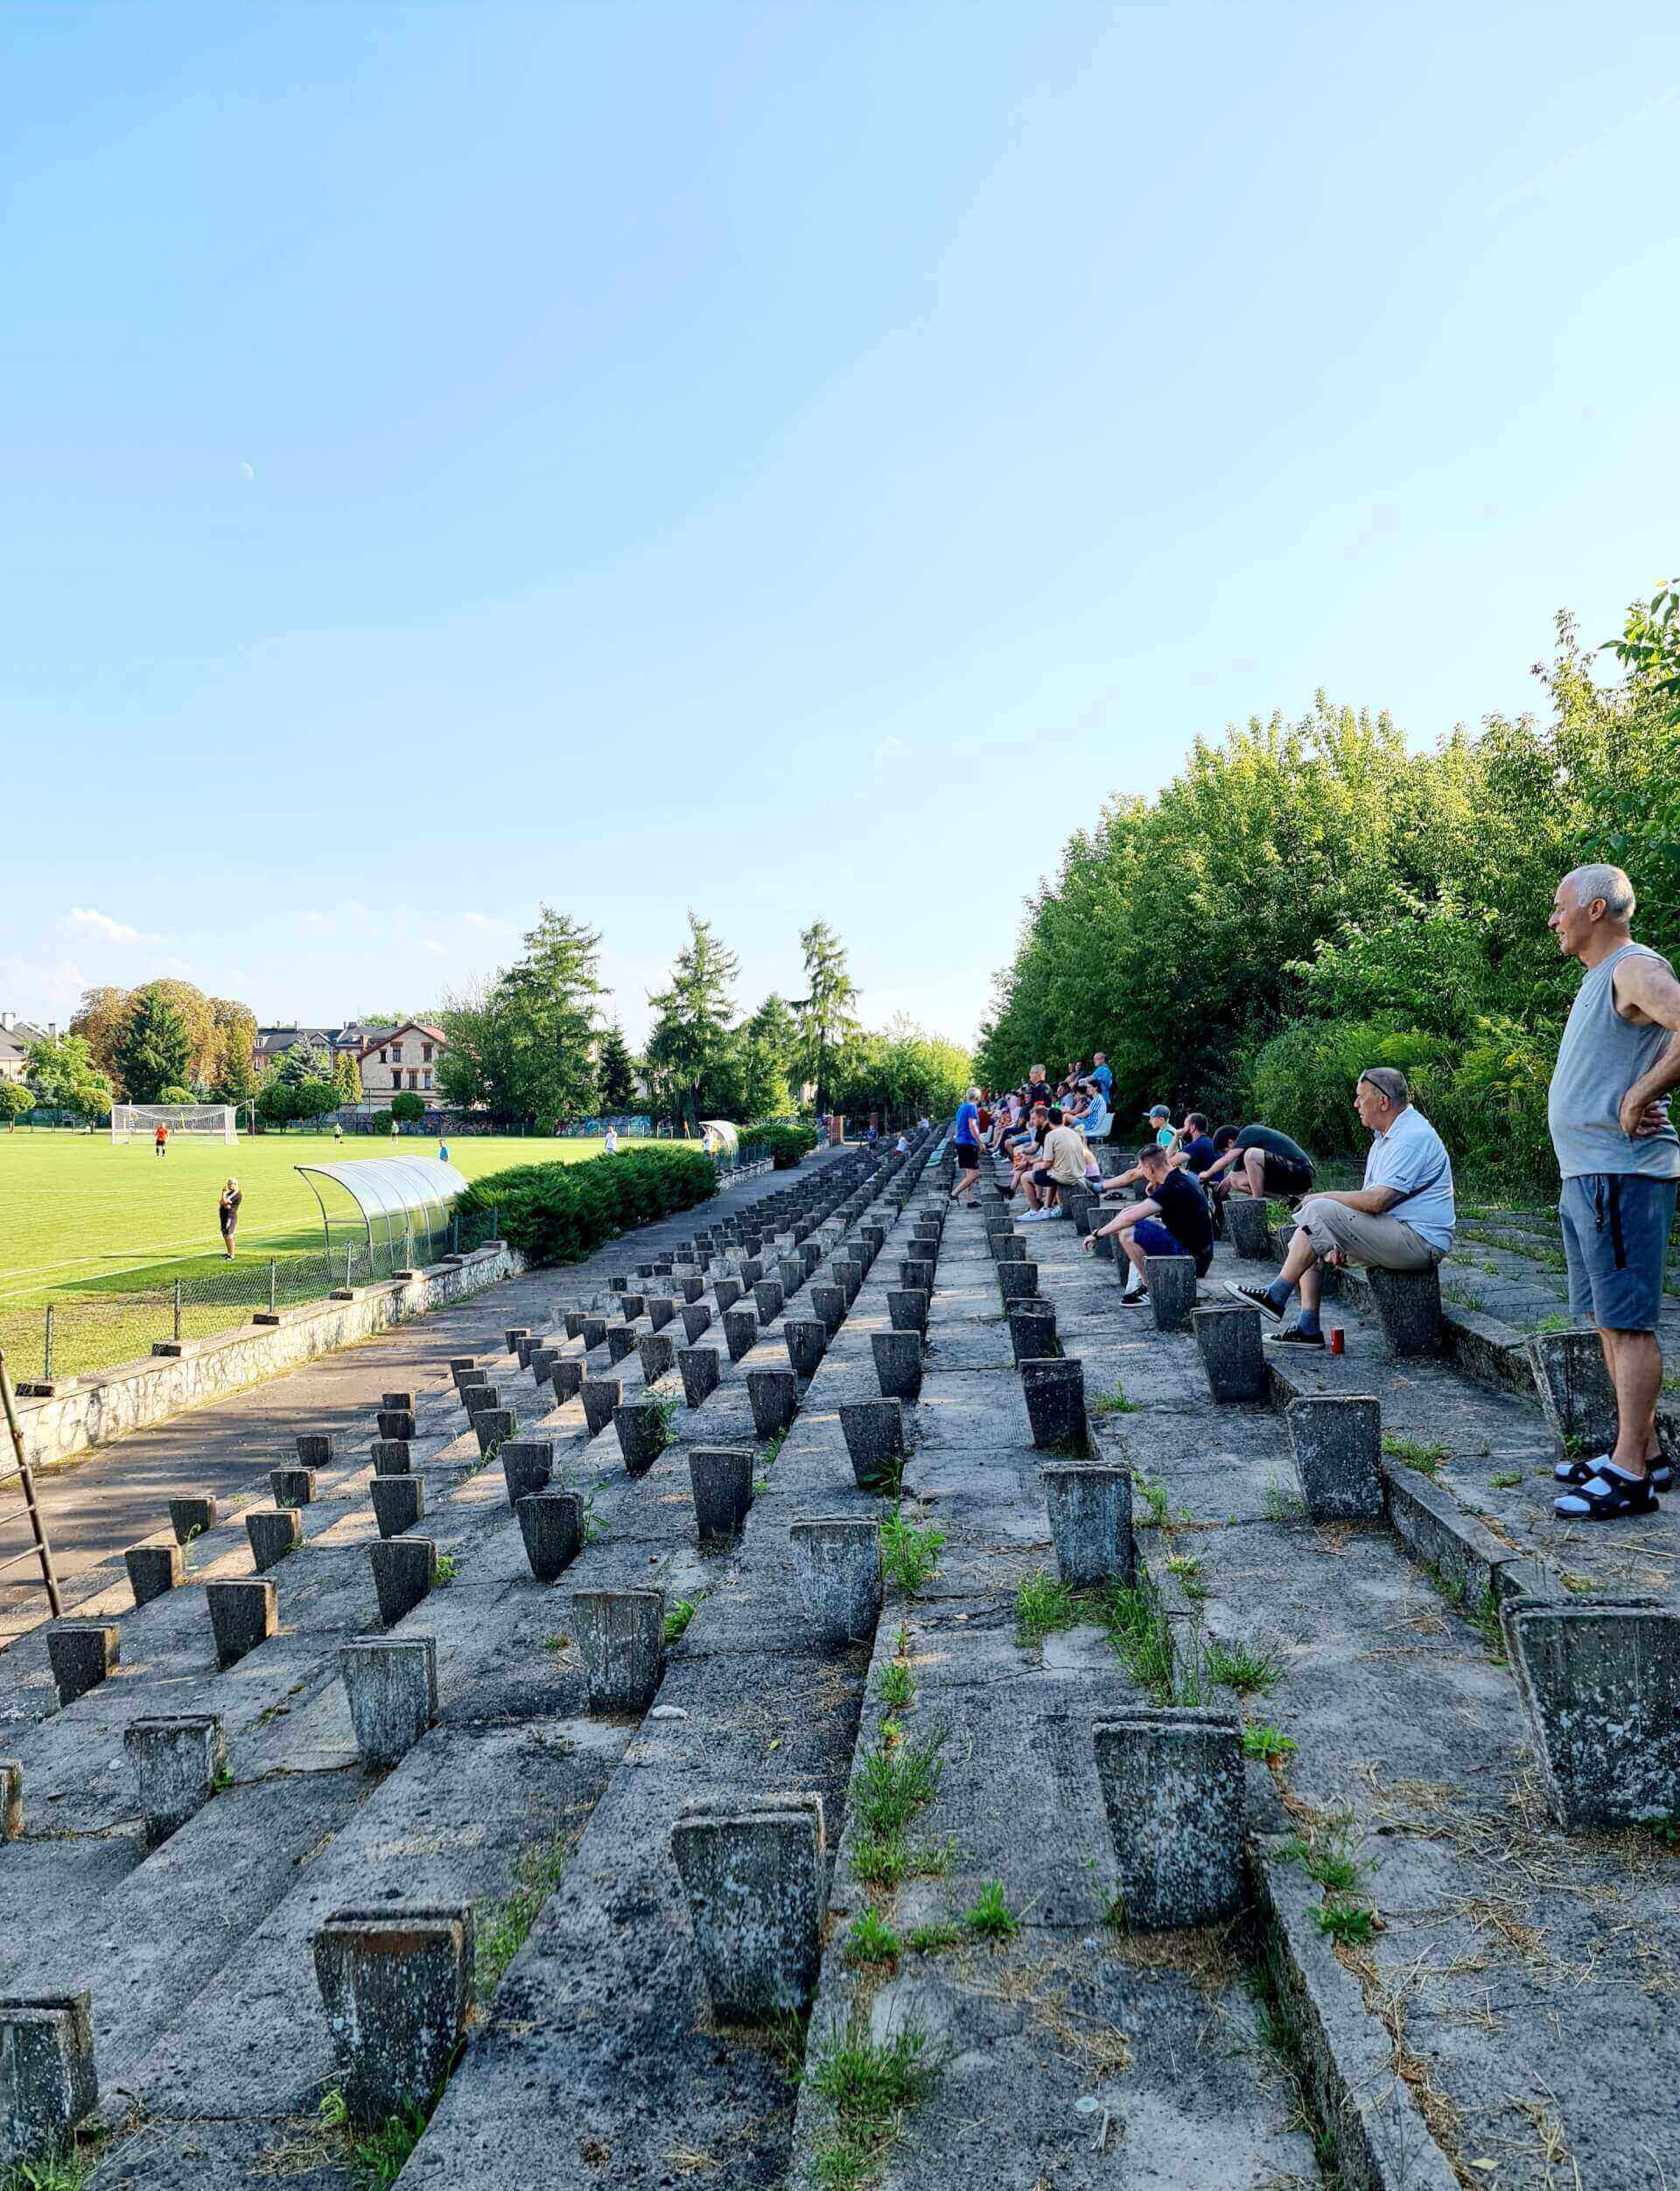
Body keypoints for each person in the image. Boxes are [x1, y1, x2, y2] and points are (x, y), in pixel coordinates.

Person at [1544, 864, 1680, 1520]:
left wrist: (1641, 1092)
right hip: (1589, 1174)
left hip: (1622, 1173)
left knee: (1628, 1324)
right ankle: (1646, 1451)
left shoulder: (1632, 967)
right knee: (1607, 1318)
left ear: (1595, 909)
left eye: (1560, 907)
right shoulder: (1601, 977)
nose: (1553, 919)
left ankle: (1630, 1473)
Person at [1226, 1068, 1454, 1348]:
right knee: (1309, 1229)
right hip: (1395, 1231)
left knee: (1317, 1209)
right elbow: (1368, 1199)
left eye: (1360, 1098)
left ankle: (1275, 1296)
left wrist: (1324, 1198)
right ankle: (1308, 1326)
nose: (1355, 1105)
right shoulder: (1385, 1138)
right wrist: (1336, 1236)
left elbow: (1377, 1201)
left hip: (1420, 1242)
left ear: (1383, 1102)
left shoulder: (1411, 1137)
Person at [1085, 1143, 1214, 1300]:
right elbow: (1129, 1213)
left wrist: (1097, 1234)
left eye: (1141, 1168)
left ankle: (1149, 1289)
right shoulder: (1182, 1177)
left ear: (1149, 1169)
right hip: (1199, 1252)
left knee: (1127, 1233)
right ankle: (1145, 1281)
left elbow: (1128, 1218)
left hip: (1193, 1260)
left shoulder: (1172, 1188)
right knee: (1129, 1221)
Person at [1201, 1119, 1315, 1206]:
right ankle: (1286, 1200)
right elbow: (1228, 1181)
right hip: (1290, 1179)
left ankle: (1256, 1206)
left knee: (1251, 1154)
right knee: (1234, 1180)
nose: (1225, 1154)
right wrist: (1217, 1198)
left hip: (1301, 1171)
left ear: (1231, 1142)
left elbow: (1226, 1161)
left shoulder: (1248, 1132)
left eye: (1224, 1151)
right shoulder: (1245, 1153)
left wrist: (1206, 1174)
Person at [1021, 1106, 1088, 1218]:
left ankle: (1035, 1210)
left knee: (1025, 1177)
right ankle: (1046, 1208)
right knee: (1052, 1172)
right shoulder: (1073, 1133)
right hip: (1079, 1173)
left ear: (1048, 1120)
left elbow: (1047, 1163)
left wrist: (1033, 1164)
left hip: (1065, 1176)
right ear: (1062, 1119)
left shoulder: (1051, 1135)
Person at [950, 1087, 984, 1202]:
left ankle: (970, 1199)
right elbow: (972, 1126)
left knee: (969, 1173)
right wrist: (980, 1142)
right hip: (968, 1143)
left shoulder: (961, 1107)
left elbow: (957, 1126)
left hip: (960, 1142)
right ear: (978, 1098)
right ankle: (954, 1193)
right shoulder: (972, 1107)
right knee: (974, 1175)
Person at [218, 1178, 242, 1260]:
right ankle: (228, 1253)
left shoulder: (236, 1193)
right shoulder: (230, 1192)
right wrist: (224, 1200)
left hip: (230, 1217)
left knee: (229, 1236)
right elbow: (221, 1202)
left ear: (235, 1184)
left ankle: (232, 1255)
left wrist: (223, 1193)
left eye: (230, 1184)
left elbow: (224, 1202)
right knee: (225, 1235)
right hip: (224, 1216)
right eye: (228, 1183)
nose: (228, 1185)